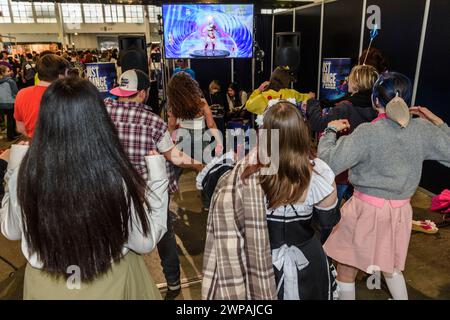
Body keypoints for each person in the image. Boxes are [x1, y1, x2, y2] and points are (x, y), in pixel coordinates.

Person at [1, 77, 168, 299]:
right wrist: (157, 176)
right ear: (97, 119)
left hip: (44, 287)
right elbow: (145, 241)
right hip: (109, 283)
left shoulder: (27, 174)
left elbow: (10, 230)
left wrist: (13, 169)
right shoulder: (112, 177)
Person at [318, 72, 450, 300]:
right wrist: (435, 120)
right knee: (391, 266)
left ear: (375, 100)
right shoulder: (422, 130)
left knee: (346, 270)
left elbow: (328, 162)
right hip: (400, 212)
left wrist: (329, 132)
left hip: (364, 211)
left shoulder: (368, 133)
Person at [202, 101, 340, 300]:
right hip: (309, 260)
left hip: (261, 262)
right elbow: (329, 220)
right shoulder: (319, 172)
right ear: (301, 132)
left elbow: (210, 189)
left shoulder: (246, 173)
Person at [104, 69, 203, 299]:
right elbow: (173, 157)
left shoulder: (105, 111)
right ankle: (173, 283)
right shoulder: (153, 122)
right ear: (142, 93)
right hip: (147, 193)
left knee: (118, 235)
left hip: (113, 189)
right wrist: (199, 165)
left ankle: (123, 285)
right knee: (163, 235)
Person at [305, 64, 379, 215]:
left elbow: (317, 123)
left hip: (341, 171)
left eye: (350, 79)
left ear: (357, 83)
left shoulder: (346, 107)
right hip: (365, 171)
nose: (348, 81)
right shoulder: (376, 108)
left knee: (330, 215)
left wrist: (312, 102)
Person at [167, 72, 223, 164]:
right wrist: (219, 142)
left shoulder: (175, 105)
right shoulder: (201, 102)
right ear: (191, 85)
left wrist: (170, 141)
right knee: (204, 167)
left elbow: (172, 124)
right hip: (200, 137)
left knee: (180, 165)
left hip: (182, 137)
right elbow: (211, 124)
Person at [14, 53, 69, 138]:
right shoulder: (67, 94)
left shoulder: (21, 93)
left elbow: (20, 128)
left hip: (35, 146)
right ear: (60, 76)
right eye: (66, 73)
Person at [246, 66, 314, 115]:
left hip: (268, 130)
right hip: (285, 130)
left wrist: (258, 90)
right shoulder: (291, 94)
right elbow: (305, 97)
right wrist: (310, 95)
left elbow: (249, 105)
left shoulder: (264, 96)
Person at [0, 65, 19, 140]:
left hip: (1, 103)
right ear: (3, 72)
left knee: (8, 119)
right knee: (11, 119)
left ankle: (13, 133)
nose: (10, 72)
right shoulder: (10, 81)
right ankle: (11, 136)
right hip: (11, 103)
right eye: (8, 71)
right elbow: (15, 92)